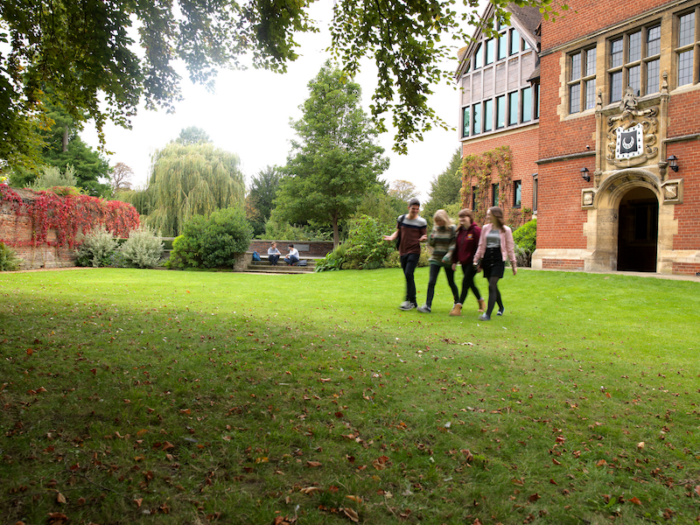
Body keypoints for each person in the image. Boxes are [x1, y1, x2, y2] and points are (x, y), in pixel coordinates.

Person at [473, 207, 517, 321]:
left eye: (489, 215)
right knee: (493, 286)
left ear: (496, 215)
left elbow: (510, 248)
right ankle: (501, 307)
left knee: (491, 285)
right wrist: (476, 260)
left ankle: (487, 314)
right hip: (487, 259)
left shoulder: (506, 230)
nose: (487, 216)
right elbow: (481, 245)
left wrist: (513, 264)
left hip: (498, 260)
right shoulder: (485, 228)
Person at [383, 198, 427, 310]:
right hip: (403, 251)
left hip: (414, 251)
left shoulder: (422, 222)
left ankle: (408, 301)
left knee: (408, 273)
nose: (415, 211)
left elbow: (424, 236)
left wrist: (423, 239)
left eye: (417, 209)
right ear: (408, 208)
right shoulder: (401, 219)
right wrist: (392, 237)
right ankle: (413, 302)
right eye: (413, 209)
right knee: (408, 276)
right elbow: (398, 231)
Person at [417, 209, 459, 314]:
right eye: (437, 221)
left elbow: (454, 244)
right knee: (431, 281)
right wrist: (431, 239)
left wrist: (448, 256)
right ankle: (427, 306)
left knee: (451, 282)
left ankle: (457, 303)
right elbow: (432, 244)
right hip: (435, 258)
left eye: (441, 221)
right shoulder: (435, 229)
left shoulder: (452, 229)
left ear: (445, 219)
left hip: (448, 259)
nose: (439, 223)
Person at [450, 209, 486, 316]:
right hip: (463, 262)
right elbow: (457, 248)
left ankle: (458, 307)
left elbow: (481, 247)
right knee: (470, 283)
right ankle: (481, 301)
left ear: (469, 218)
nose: (461, 219)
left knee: (465, 282)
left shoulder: (476, 230)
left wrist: (481, 264)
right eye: (460, 217)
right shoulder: (460, 231)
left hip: (473, 262)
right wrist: (454, 261)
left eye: (464, 217)